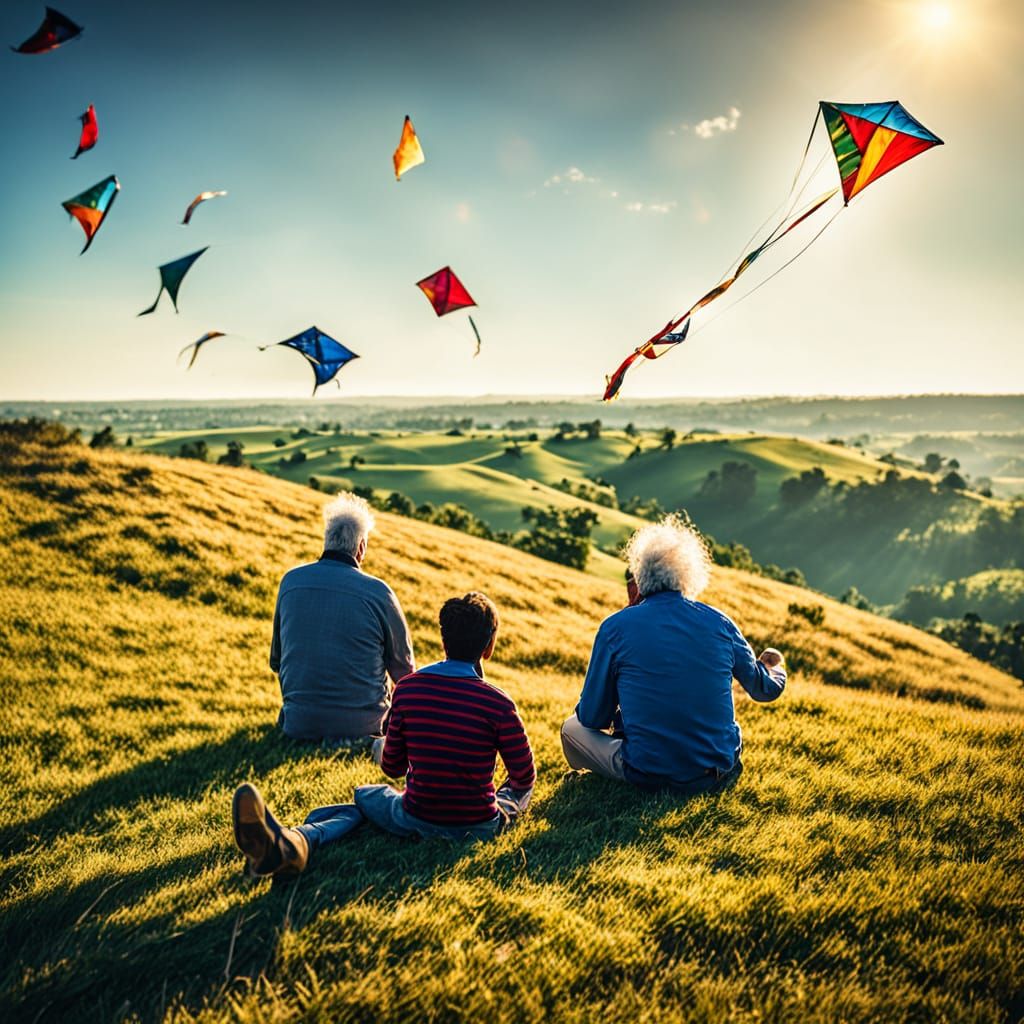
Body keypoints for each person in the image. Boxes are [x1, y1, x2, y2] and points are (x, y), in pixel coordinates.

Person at [234, 592, 535, 878]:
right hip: (480, 823)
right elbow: (524, 775)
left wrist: (383, 747)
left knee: (364, 800)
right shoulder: (499, 703)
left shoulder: (408, 689)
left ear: (443, 639)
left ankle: (296, 841)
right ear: (488, 647)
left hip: (415, 815)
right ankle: (291, 843)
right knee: (512, 797)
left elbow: (393, 768)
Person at [561, 515, 786, 794]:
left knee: (571, 728)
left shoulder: (615, 628)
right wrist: (775, 666)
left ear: (638, 577)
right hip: (715, 771)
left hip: (647, 772)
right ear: (689, 574)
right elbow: (765, 690)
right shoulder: (720, 623)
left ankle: (589, 774)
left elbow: (592, 718)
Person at [270, 491, 414, 745]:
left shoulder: (290, 582)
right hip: (366, 726)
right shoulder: (379, 592)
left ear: (327, 540)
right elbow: (405, 674)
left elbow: (277, 661)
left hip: (298, 723)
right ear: (361, 547)